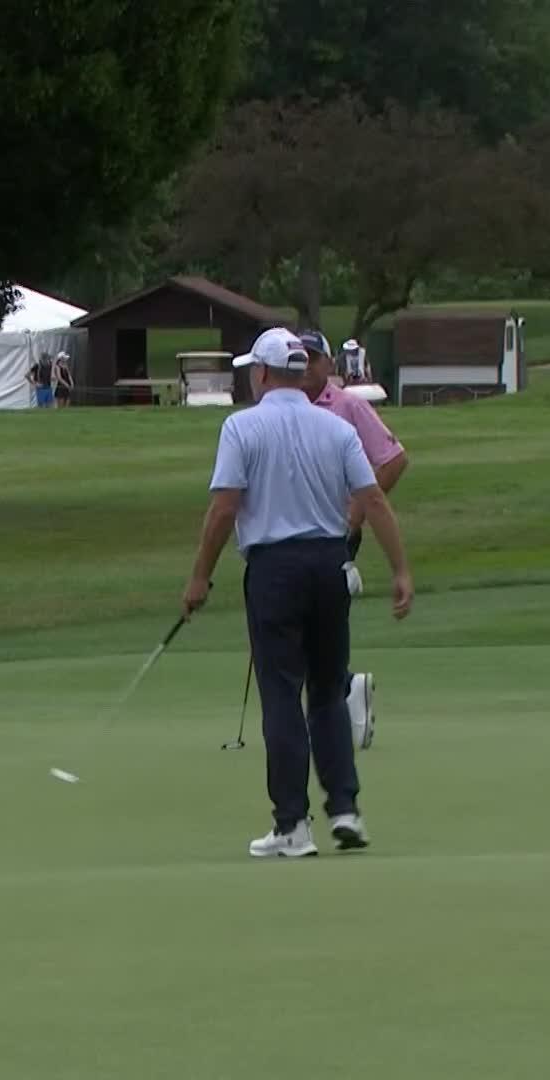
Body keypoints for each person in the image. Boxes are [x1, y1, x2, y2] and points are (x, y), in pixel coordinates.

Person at [181, 328, 413, 858]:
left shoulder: (242, 427)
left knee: (282, 694)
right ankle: (346, 809)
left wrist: (199, 577)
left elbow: (223, 509)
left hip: (274, 569)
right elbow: (373, 499)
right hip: (330, 564)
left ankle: (292, 825)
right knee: (328, 691)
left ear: (263, 374)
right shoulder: (333, 428)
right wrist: (401, 569)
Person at [299, 331, 407, 750]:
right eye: (299, 358)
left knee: (315, 624)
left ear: (329, 365)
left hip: (335, 533)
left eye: (313, 359)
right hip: (293, 534)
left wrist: (356, 513)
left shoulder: (348, 406)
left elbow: (394, 461)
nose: (306, 367)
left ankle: (340, 694)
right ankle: (344, 689)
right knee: (309, 627)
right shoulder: (277, 409)